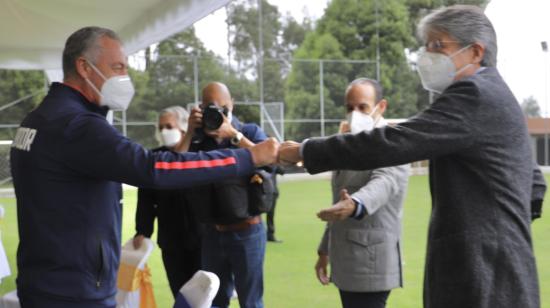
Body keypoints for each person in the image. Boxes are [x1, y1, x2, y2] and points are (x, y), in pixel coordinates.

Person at [278, 5, 545, 308]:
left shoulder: (475, 95)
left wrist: (304, 151)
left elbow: (394, 142)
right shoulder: (498, 96)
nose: (427, 54)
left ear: (475, 52)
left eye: (438, 45)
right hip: (499, 270)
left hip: (482, 276)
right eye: (427, 45)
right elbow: (535, 186)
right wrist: (503, 229)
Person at [9, 27, 278, 308]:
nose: (124, 77)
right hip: (73, 291)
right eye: (117, 67)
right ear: (84, 67)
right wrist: (248, 157)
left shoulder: (39, 118)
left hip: (45, 280)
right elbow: (153, 168)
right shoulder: (77, 125)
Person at [314, 78, 409, 308]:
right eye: (350, 108)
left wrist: (356, 203)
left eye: (362, 107)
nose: (354, 113)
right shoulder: (349, 144)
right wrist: (324, 250)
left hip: (371, 264)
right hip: (346, 262)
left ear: (381, 106)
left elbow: (383, 183)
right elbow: (338, 202)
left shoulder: (393, 144)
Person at [184, 82, 267, 308]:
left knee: (251, 301)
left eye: (223, 107)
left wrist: (235, 135)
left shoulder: (249, 131)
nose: (219, 112)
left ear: (233, 105)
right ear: (201, 108)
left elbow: (269, 161)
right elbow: (176, 163)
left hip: (247, 230)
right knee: (213, 301)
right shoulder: (198, 139)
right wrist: (190, 131)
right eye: (211, 107)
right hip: (213, 233)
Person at [133, 106, 204, 297]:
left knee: (206, 294)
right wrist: (143, 230)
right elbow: (146, 199)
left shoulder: (200, 152)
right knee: (180, 292)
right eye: (161, 127)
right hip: (171, 240)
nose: (164, 131)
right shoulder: (154, 158)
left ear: (183, 127)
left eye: (169, 126)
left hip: (204, 237)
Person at [266, 166, 284, 242]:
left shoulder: (273, 164)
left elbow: (282, 171)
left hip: (272, 192)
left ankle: (270, 234)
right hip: (262, 192)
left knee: (271, 215)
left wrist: (276, 163)